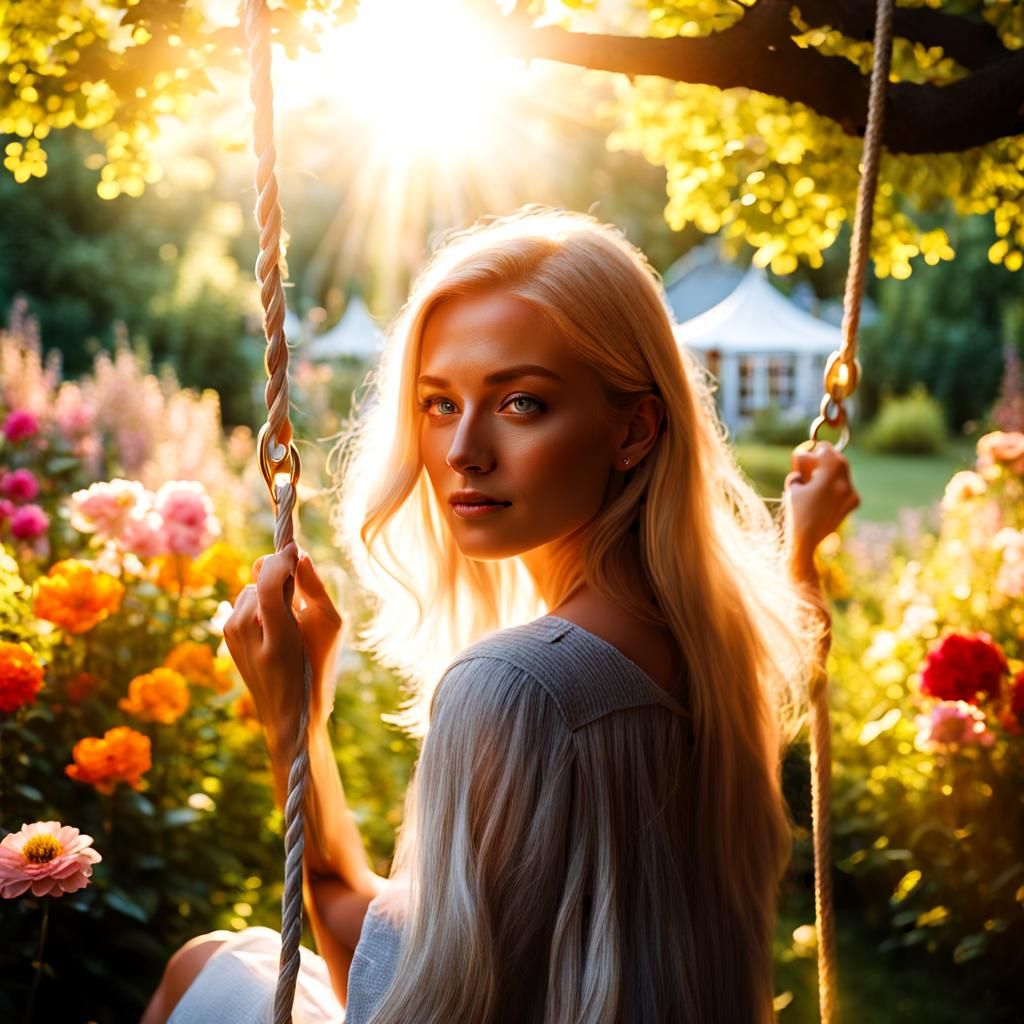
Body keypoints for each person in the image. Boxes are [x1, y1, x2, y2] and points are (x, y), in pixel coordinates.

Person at [142, 207, 858, 1024]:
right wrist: (802, 551)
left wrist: (293, 723)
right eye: (440, 403)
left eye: (520, 403)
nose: (462, 452)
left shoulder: (519, 687)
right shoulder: (718, 639)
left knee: (200, 970)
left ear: (635, 429)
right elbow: (798, 639)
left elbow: (382, 997)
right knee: (216, 959)